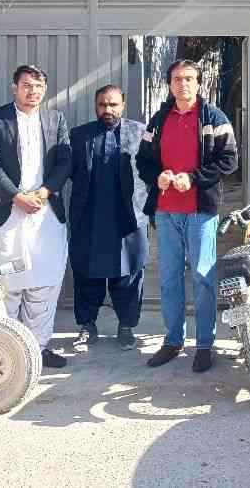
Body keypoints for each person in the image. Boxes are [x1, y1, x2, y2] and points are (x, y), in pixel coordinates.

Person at [136, 59, 238, 372]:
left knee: (203, 280)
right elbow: (143, 160)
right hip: (166, 213)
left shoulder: (214, 118)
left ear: (198, 83)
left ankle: (205, 345)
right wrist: (157, 176)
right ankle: (172, 341)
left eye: (189, 79)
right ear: (169, 84)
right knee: (169, 280)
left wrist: (193, 178)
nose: (183, 84)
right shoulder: (159, 120)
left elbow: (229, 160)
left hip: (200, 213)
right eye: (177, 79)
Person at [0, 64, 72, 368]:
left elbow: (65, 161)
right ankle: (4, 351)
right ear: (14, 88)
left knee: (44, 282)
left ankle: (38, 348)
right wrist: (16, 197)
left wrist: (44, 192)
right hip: (8, 213)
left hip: (45, 213)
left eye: (39, 86)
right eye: (27, 85)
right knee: (4, 283)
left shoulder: (55, 119)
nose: (33, 91)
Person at [68, 85, 149, 353]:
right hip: (89, 217)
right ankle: (87, 326)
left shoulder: (140, 132)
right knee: (86, 273)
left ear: (123, 104)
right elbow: (67, 170)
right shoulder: (79, 135)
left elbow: (152, 170)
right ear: (95, 106)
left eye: (113, 104)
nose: (108, 110)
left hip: (129, 216)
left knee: (129, 273)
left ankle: (126, 327)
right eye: (102, 104)